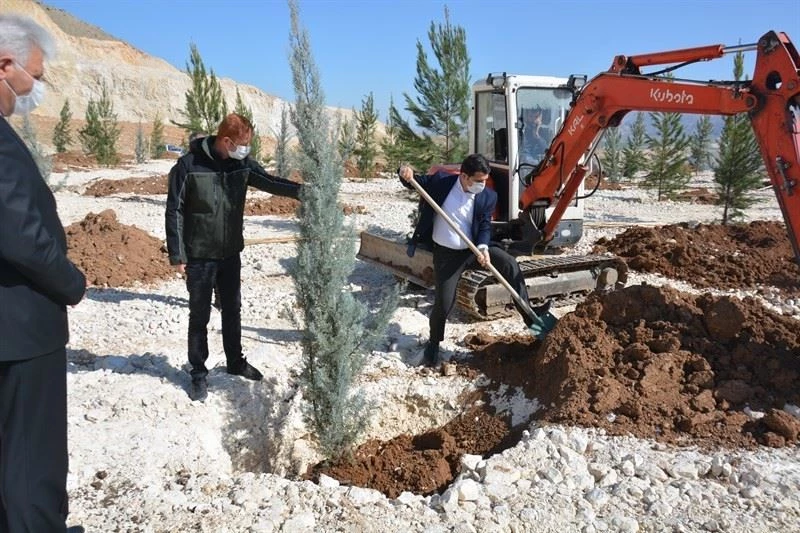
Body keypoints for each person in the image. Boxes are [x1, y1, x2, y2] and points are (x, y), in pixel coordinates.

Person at [0, 14, 87, 533]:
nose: (37, 85)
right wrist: (71, 282)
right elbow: (20, 233)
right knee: (33, 459)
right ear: (4, 64)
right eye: (35, 73)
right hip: (21, 328)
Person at [165, 113, 302, 402]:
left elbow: (271, 182)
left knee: (232, 309)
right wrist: (177, 254)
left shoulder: (242, 166)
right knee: (199, 315)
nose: (246, 149)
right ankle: (199, 373)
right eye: (242, 144)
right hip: (199, 256)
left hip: (230, 254)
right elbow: (174, 211)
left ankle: (235, 362)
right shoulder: (188, 167)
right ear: (226, 141)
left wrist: (305, 193)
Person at [399, 154, 546, 367]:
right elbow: (413, 181)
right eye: (478, 180)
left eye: (485, 180)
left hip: (473, 248)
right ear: (464, 176)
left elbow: (485, 225)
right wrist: (404, 171)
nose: (482, 184)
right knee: (444, 302)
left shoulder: (487, 196)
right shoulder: (441, 182)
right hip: (447, 255)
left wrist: (484, 248)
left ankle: (531, 318)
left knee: (509, 263)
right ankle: (433, 344)